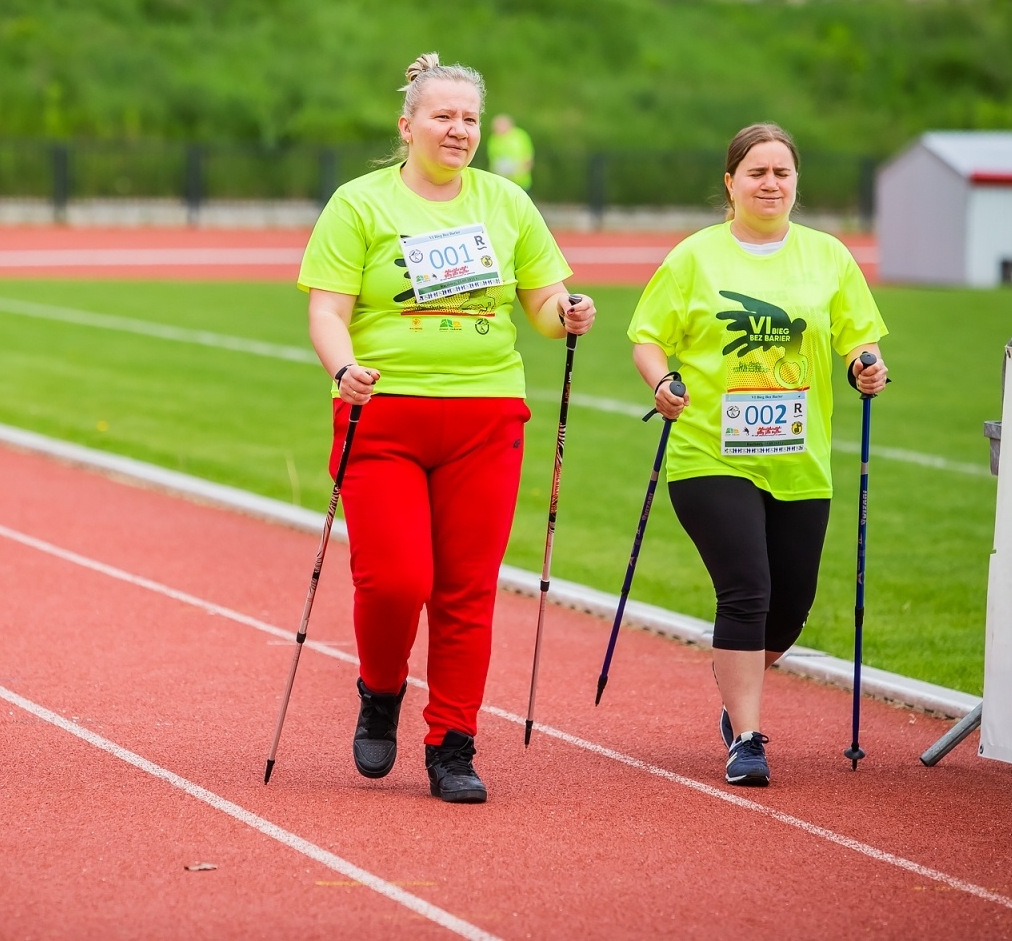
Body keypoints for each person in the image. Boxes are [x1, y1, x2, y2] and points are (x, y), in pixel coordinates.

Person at [298, 52, 595, 803]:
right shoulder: (359, 205)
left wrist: (567, 314)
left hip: (484, 415)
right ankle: (380, 689)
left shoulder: (506, 204)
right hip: (385, 415)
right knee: (396, 580)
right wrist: (342, 370)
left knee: (466, 590)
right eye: (443, 116)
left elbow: (542, 299)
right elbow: (327, 310)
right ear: (408, 125)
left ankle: (452, 744)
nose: (458, 129)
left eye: (468, 118)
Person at [627, 122, 887, 787]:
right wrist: (661, 383)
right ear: (730, 183)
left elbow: (860, 340)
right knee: (747, 589)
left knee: (790, 605)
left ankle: (736, 683)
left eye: (782, 173)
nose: (770, 184)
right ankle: (747, 735)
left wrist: (867, 366)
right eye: (756, 173)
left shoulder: (828, 257)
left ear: (796, 182)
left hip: (800, 459)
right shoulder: (695, 257)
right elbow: (648, 339)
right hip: (710, 452)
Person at [486, 114, 534, 192]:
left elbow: (528, 159)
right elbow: (492, 161)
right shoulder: (493, 140)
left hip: (521, 183)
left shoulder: (520, 136)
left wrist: (518, 171)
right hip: (502, 183)